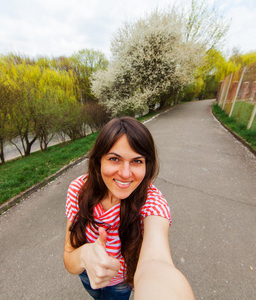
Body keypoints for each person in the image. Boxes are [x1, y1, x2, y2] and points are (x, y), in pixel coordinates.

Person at [63, 117, 195, 300]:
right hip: (87, 276)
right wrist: (85, 254)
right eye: (114, 159)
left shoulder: (151, 202)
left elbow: (157, 262)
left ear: (147, 165)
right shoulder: (79, 190)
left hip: (120, 285)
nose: (125, 173)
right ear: (99, 160)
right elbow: (69, 256)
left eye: (137, 161)